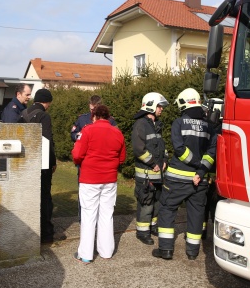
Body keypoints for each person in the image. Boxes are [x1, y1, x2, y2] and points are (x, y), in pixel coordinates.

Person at [152, 88, 217, 260]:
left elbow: (179, 149)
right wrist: (201, 170)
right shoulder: (210, 127)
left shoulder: (179, 123)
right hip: (200, 179)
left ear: (183, 103)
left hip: (177, 179)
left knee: (167, 209)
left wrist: (195, 163)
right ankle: (192, 252)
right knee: (196, 213)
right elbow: (211, 153)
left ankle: (165, 250)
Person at [71, 105, 126, 263]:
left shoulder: (88, 130)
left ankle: (86, 254)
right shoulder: (117, 132)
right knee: (106, 215)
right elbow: (122, 158)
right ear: (108, 117)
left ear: (93, 116)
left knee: (89, 215)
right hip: (109, 179)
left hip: (90, 179)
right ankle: (106, 251)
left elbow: (77, 154)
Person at [19, 88, 61, 244]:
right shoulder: (43, 116)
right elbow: (47, 142)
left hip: (25, 164)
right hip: (42, 165)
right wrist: (52, 163)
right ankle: (46, 234)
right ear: (47, 102)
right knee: (45, 198)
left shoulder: (23, 114)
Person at [131, 92, 169, 245]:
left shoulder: (157, 125)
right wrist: (153, 163)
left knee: (157, 202)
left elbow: (162, 146)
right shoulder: (141, 124)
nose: (161, 109)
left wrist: (165, 159)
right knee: (146, 203)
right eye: (159, 106)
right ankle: (142, 232)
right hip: (147, 175)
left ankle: (152, 226)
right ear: (151, 106)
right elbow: (138, 149)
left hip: (158, 174)